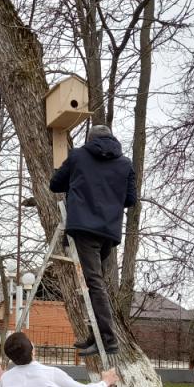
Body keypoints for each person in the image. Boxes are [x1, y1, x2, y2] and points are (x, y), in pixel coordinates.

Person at [49, 124, 137, 356]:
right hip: (108, 232)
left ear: (90, 139)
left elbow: (55, 184)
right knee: (95, 283)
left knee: (94, 284)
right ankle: (95, 335)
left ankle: (108, 340)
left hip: (84, 228)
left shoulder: (78, 156)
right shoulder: (125, 164)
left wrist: (78, 182)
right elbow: (130, 199)